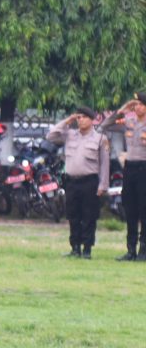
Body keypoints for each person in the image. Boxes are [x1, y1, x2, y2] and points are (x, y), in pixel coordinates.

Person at [47, 108, 112, 259]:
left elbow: (104, 164)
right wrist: (67, 121)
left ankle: (87, 249)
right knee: (73, 215)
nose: (80, 120)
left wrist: (103, 185)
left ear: (92, 120)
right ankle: (75, 248)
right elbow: (51, 136)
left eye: (84, 117)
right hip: (71, 181)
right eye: (79, 117)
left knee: (89, 216)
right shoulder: (70, 135)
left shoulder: (100, 138)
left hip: (89, 182)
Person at [103, 96, 146, 261]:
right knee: (131, 210)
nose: (138, 108)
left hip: (144, 169)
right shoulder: (129, 123)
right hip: (130, 168)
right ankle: (130, 251)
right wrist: (123, 110)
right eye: (136, 105)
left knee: (144, 211)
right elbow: (105, 125)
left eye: (141, 105)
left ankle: (143, 251)